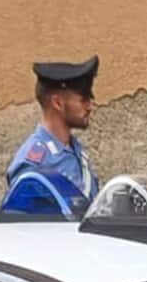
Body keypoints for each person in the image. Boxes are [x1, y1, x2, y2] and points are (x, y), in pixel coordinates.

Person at [7, 56, 101, 201]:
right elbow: (24, 214)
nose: (89, 107)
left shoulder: (75, 151)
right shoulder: (34, 164)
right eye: (83, 100)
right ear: (58, 103)